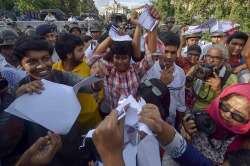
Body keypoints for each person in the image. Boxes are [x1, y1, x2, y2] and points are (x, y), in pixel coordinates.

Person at [13, 36, 102, 166]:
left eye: (45, 58)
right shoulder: (19, 89)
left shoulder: (61, 76)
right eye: (32, 62)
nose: (41, 65)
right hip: (42, 156)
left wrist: (96, 79)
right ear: (21, 65)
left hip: (72, 147)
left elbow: (88, 86)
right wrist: (19, 98)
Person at [88, 7, 160, 108]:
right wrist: (113, 36)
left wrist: (153, 26)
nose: (120, 62)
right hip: (116, 119)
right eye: (117, 57)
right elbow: (92, 58)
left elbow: (151, 57)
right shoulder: (109, 70)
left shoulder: (136, 70)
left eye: (124, 58)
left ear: (130, 57)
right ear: (112, 57)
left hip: (135, 119)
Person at [182, 83, 250, 164]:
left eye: (237, 116)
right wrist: (184, 135)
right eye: (225, 107)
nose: (227, 115)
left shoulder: (245, 143)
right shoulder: (199, 117)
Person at [53, 33, 103, 133]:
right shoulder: (55, 69)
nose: (84, 53)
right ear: (69, 54)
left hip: (91, 117)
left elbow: (97, 88)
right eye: (80, 50)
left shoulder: (85, 67)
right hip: (72, 122)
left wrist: (98, 91)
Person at [142, 31, 186, 127]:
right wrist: (161, 84)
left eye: (173, 52)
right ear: (159, 50)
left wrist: (179, 125)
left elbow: (181, 105)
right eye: (165, 51)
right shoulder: (147, 70)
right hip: (150, 123)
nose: (169, 56)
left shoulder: (181, 73)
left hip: (171, 123)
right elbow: (143, 101)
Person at [187, 45, 238, 110]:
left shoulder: (231, 78)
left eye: (216, 58)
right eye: (208, 56)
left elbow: (231, 104)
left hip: (214, 112)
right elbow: (186, 89)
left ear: (223, 60)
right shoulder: (199, 70)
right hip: (193, 109)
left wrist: (218, 90)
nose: (211, 60)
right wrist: (190, 74)